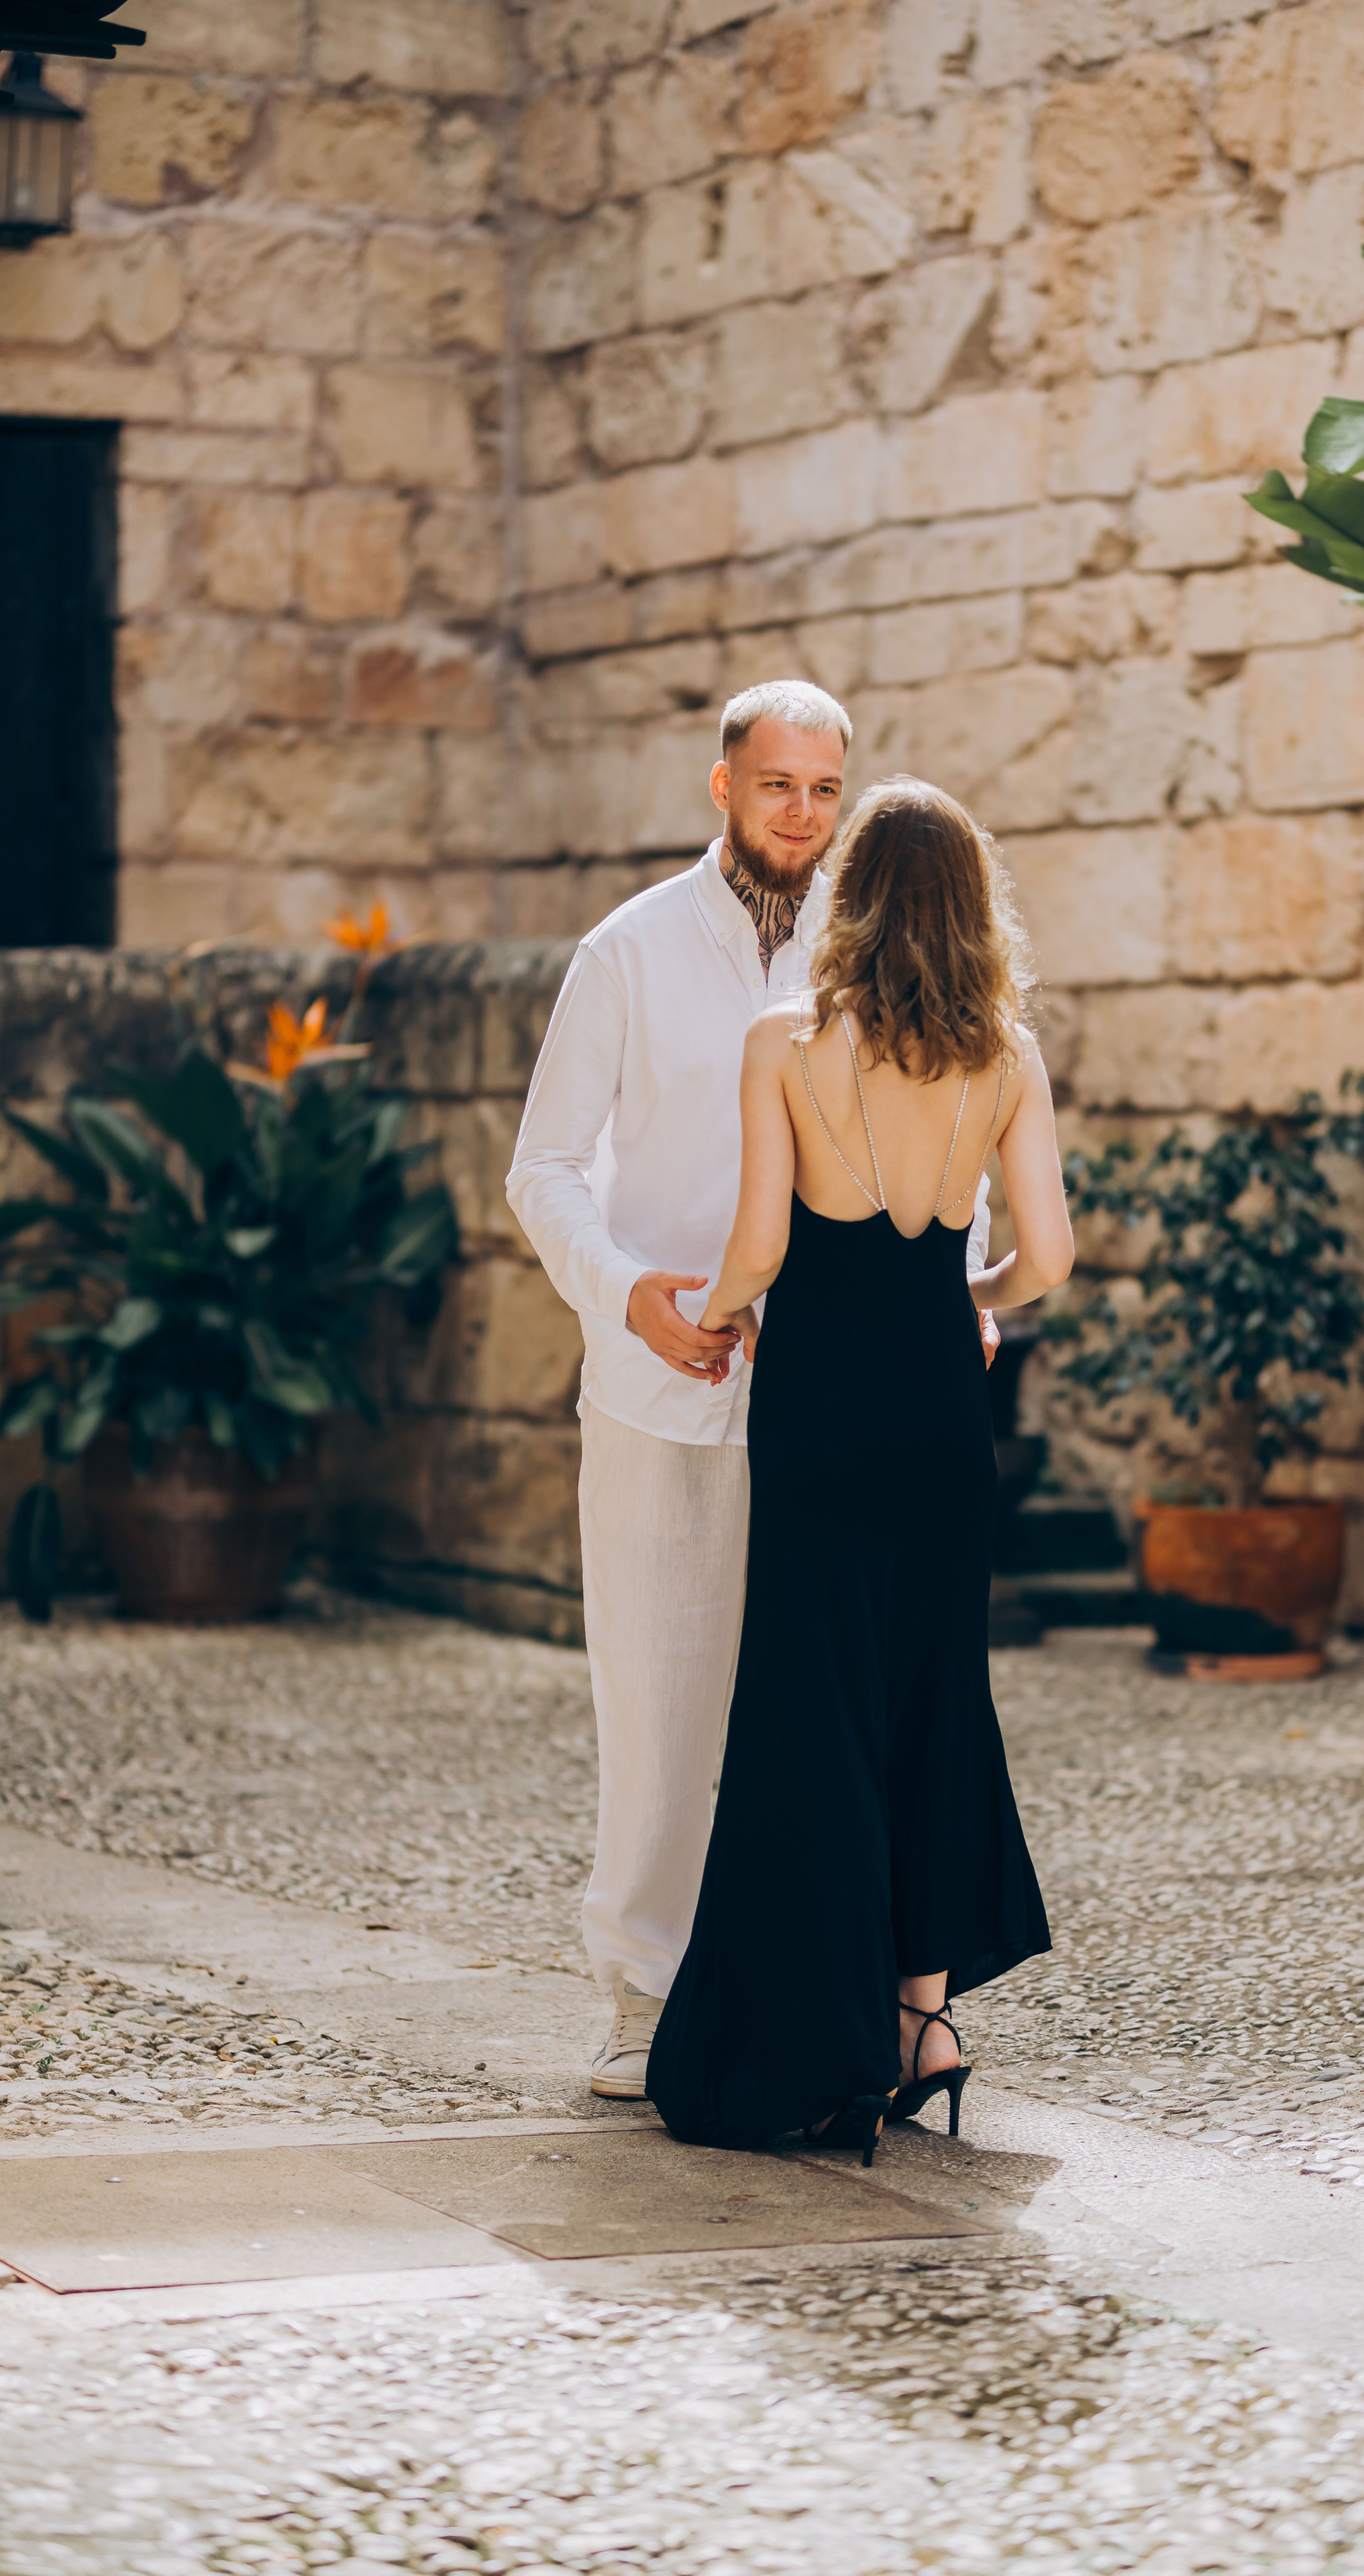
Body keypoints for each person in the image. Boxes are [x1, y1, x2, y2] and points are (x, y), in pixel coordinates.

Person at [506, 684, 995, 2100]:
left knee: (824, 1718)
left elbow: (948, 1151)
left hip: (835, 1409)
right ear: (722, 786)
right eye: (776, 784)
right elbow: (544, 1169)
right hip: (665, 1391)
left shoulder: (878, 955)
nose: (800, 812)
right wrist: (629, 1298)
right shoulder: (626, 951)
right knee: (661, 1712)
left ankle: (830, 2008)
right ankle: (644, 2000)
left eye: (823, 789)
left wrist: (960, 1304)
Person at [647, 776, 1075, 2159]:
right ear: (973, 911)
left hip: (820, 1410)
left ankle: (816, 2049)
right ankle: (920, 2027)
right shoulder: (1008, 1056)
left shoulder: (784, 1042)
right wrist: (975, 1298)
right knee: (933, 1701)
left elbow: (762, 1249)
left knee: (812, 1706)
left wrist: (709, 1316)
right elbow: (1050, 1258)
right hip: (941, 1414)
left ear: (852, 898)